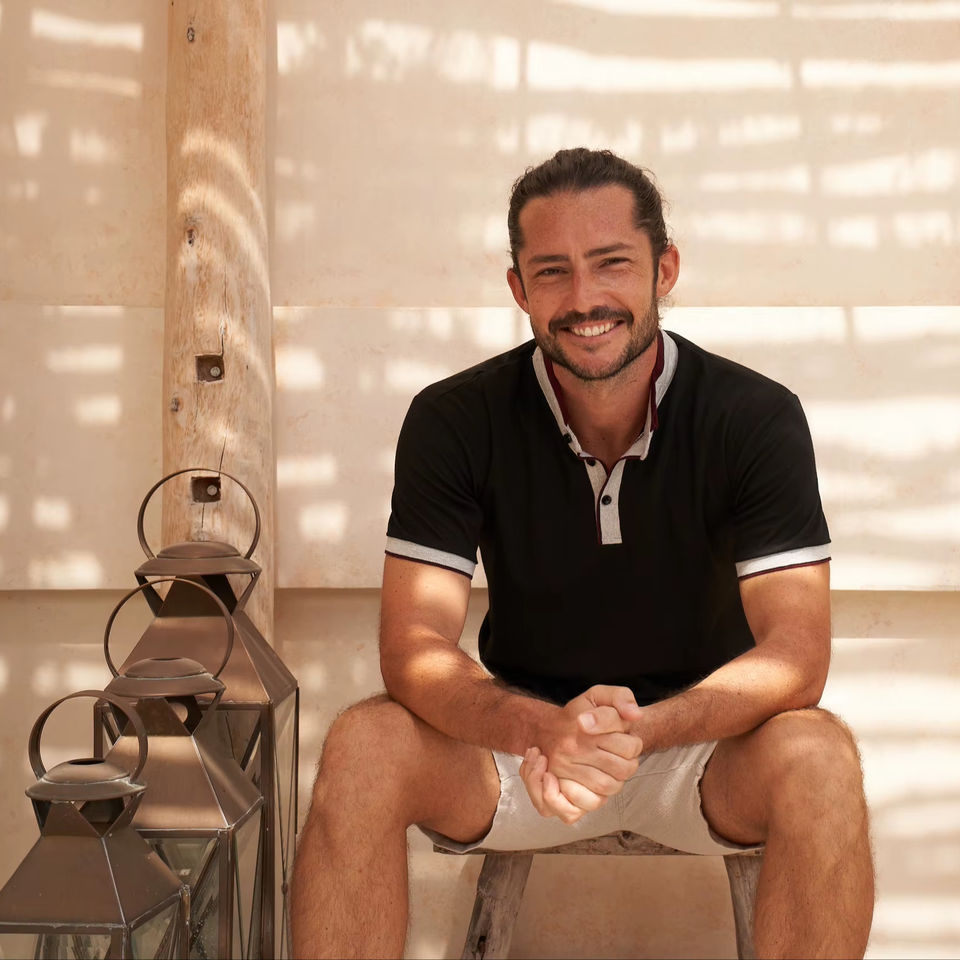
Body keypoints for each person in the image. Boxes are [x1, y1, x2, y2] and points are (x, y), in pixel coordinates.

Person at [290, 148, 874, 959]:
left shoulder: (755, 416)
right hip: (518, 749)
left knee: (821, 757)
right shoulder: (454, 418)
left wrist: (638, 731)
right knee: (364, 744)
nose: (584, 298)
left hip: (703, 752)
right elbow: (413, 649)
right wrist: (543, 728)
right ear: (518, 289)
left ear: (664, 270)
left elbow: (796, 656)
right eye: (552, 272)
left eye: (612, 264)